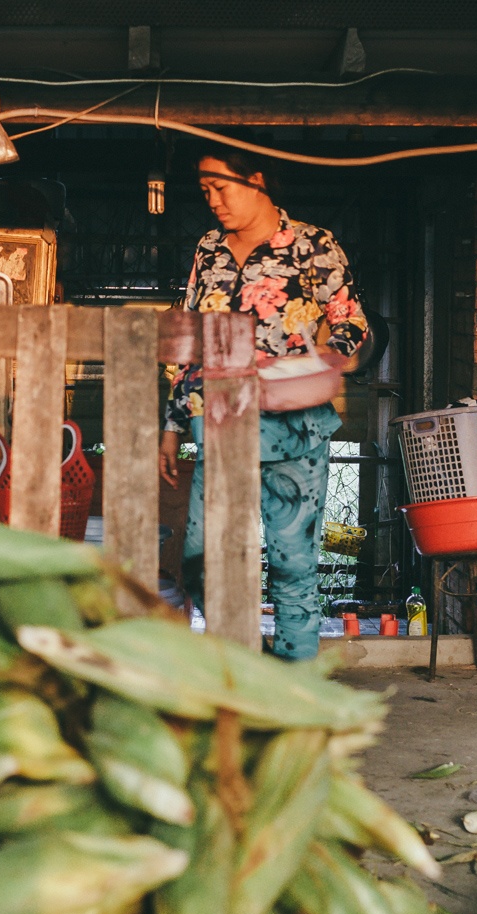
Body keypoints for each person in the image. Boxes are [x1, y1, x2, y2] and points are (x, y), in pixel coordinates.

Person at [161, 148, 370, 662]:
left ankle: (295, 682)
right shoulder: (208, 249)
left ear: (255, 179)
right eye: (205, 191)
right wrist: (170, 423)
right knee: (202, 562)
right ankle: (243, 664)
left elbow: (350, 324)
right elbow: (186, 337)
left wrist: (314, 364)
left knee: (295, 566)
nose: (212, 201)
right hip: (221, 427)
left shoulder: (312, 244)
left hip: (296, 430)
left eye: (221, 188)